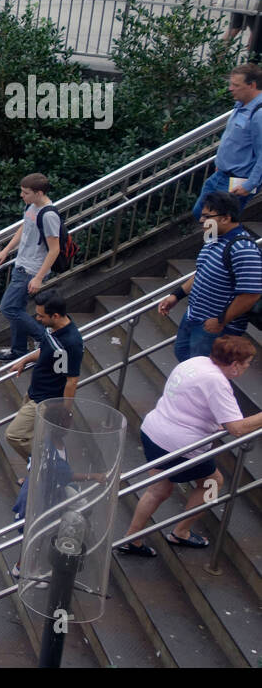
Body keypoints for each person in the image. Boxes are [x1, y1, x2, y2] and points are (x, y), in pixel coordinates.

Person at [117, 336, 262, 555]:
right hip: (180, 447)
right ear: (234, 365)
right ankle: (181, 532)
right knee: (213, 483)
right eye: (246, 363)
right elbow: (237, 428)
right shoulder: (217, 382)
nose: (247, 367)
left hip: (154, 432)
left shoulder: (195, 362)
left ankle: (131, 538)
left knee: (159, 488)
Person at [160, 191, 262, 361]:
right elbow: (202, 272)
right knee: (185, 358)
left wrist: (221, 320)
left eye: (207, 216)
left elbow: (251, 294)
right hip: (194, 316)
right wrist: (176, 295)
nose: (201, 220)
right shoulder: (213, 238)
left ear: (226, 218)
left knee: (204, 372)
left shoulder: (243, 249)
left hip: (215, 327)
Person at [0, 174, 62, 363]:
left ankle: (47, 341)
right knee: (17, 308)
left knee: (9, 308)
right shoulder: (33, 206)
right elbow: (25, 227)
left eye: (26, 192)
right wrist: (6, 250)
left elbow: (55, 249)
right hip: (22, 264)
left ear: (39, 193)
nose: (22, 196)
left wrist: (38, 277)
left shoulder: (48, 215)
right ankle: (19, 350)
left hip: (31, 270)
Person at [5, 291, 84, 462]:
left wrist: (66, 410)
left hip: (46, 400)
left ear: (55, 315)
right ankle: (39, 471)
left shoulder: (72, 342)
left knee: (15, 435)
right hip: (35, 391)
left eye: (41, 316)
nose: (37, 319)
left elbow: (72, 381)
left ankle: (47, 466)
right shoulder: (53, 328)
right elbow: (47, 351)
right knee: (36, 436)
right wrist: (25, 359)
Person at [191, 64, 262, 219]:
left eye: (236, 85)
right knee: (201, 214)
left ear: (252, 85)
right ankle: (216, 242)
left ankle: (221, 243)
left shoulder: (259, 114)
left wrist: (250, 185)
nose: (230, 88)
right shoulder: (241, 105)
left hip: (236, 181)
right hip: (221, 174)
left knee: (215, 222)